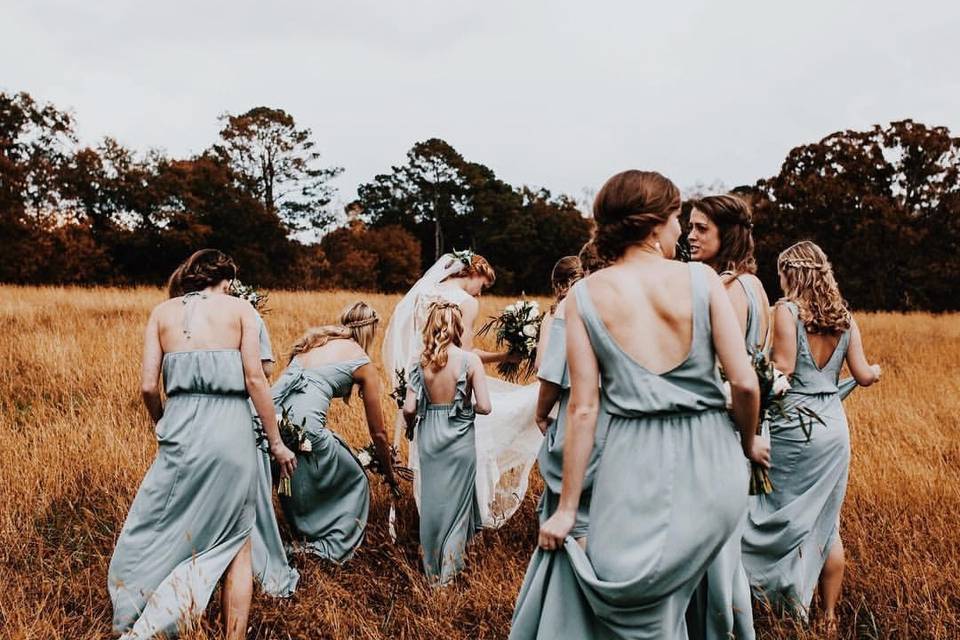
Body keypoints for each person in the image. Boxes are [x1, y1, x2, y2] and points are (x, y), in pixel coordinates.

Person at [510, 170, 768, 639]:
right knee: (689, 592)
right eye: (676, 218)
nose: (680, 231)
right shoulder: (703, 280)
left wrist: (567, 509)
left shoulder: (585, 295)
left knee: (633, 601)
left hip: (632, 459)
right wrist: (749, 443)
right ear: (654, 225)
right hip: (713, 461)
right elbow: (746, 385)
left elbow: (584, 409)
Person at [108, 249, 297, 639]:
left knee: (160, 521)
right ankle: (232, 635)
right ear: (226, 280)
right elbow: (256, 380)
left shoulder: (162, 313)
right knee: (236, 538)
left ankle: (137, 607)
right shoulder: (242, 310)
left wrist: (163, 422)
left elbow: (147, 386)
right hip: (231, 430)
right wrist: (276, 443)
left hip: (180, 427)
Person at [743, 241, 881, 630]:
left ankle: (764, 596)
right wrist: (876, 369)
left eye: (781, 272)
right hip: (834, 431)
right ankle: (830, 617)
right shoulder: (845, 318)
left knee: (771, 513)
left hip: (795, 427)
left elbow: (782, 369)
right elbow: (865, 376)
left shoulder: (786, 311)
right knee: (825, 521)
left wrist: (750, 367)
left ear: (792, 272)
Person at [383, 252, 542, 528]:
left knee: (432, 459)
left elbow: (421, 348)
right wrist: (506, 356)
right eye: (483, 284)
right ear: (473, 272)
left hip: (423, 385)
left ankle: (433, 522)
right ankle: (467, 520)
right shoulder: (465, 302)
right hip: (454, 391)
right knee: (479, 446)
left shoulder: (426, 292)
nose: (481, 293)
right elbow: (466, 356)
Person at [685, 194, 768, 640]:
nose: (690, 235)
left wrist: (746, 437)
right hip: (744, 427)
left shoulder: (729, 289)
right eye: (689, 226)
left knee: (712, 550)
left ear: (727, 234)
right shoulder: (755, 285)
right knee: (726, 546)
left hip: (725, 430)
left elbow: (733, 378)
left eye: (701, 228)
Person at [271, 302, 398, 563]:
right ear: (371, 331)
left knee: (295, 474)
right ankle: (331, 543)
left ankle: (304, 532)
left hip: (271, 421)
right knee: (355, 479)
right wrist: (390, 473)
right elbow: (379, 432)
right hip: (306, 430)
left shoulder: (316, 343)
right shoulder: (362, 363)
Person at [402, 301, 491, 585]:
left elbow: (409, 408)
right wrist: (464, 408)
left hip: (430, 436)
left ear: (432, 326)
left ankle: (432, 570)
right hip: (459, 437)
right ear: (457, 327)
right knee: (458, 507)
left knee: (433, 504)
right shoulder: (470, 361)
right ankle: (448, 576)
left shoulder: (420, 362)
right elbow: (486, 407)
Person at [533, 256, 604, 547]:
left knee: (577, 517)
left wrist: (541, 413)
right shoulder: (635, 298)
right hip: (623, 417)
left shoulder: (574, 302)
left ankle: (582, 583)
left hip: (579, 411)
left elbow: (552, 374)